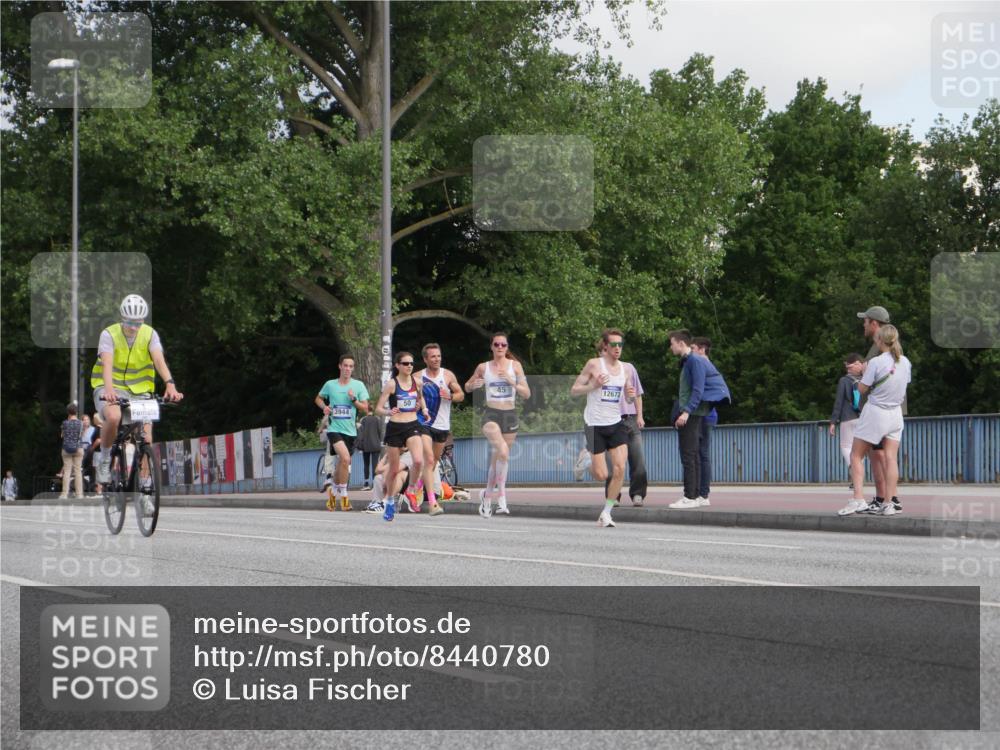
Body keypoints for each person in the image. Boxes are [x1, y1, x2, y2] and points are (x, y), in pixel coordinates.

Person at [91, 294, 183, 485]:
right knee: (114, 416)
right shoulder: (109, 334)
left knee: (146, 438)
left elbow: (158, 359)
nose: (133, 327)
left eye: (138, 323)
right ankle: (105, 459)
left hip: (140, 391)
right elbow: (106, 364)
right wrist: (109, 390)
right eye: (129, 322)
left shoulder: (150, 334)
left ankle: (145, 489)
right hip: (110, 387)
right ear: (122, 318)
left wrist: (170, 383)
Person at [838, 325, 911, 517]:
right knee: (890, 458)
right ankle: (889, 502)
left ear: (879, 341)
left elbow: (862, 389)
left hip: (876, 412)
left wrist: (863, 372)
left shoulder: (876, 362)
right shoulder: (905, 362)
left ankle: (858, 499)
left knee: (855, 455)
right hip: (895, 414)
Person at [570, 329, 632, 528]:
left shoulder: (626, 369)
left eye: (620, 345)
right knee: (601, 475)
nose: (617, 348)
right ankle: (585, 459)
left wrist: (630, 395)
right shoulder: (594, 364)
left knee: (620, 468)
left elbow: (628, 396)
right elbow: (574, 390)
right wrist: (594, 385)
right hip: (594, 424)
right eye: (613, 344)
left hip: (615, 423)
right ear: (605, 346)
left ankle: (606, 513)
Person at [465, 332, 530, 517]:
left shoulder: (515, 366)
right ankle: (501, 497)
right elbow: (467, 386)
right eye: (497, 344)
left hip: (509, 415)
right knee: (502, 451)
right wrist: (474, 385)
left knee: (500, 458)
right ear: (491, 347)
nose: (500, 347)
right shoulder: (483, 367)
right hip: (491, 414)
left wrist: (512, 382)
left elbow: (527, 394)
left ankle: (486, 496)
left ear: (507, 348)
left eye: (503, 345)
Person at [374, 351, 444, 521]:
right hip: (395, 428)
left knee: (419, 461)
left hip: (412, 424)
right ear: (398, 365)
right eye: (405, 363)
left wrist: (425, 410)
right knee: (394, 469)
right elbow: (378, 408)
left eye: (411, 363)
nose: (409, 366)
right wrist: (389, 411)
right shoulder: (391, 384)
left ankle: (411, 489)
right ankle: (390, 500)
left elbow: (421, 399)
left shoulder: (417, 382)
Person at [667, 330, 732, 509]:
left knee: (689, 455)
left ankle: (690, 496)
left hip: (692, 414)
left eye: (672, 343)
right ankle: (695, 496)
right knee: (693, 454)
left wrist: (686, 412)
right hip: (694, 413)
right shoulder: (690, 361)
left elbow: (697, 389)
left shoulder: (694, 361)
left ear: (681, 343)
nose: (670, 347)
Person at [847, 305, 901, 513]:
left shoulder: (880, 348)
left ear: (875, 324)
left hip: (880, 409)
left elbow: (871, 379)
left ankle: (887, 498)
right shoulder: (892, 348)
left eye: (865, 321)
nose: (863, 324)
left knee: (877, 455)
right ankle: (885, 498)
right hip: (891, 410)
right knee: (883, 455)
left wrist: (862, 370)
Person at [314, 354, 370, 511]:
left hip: (350, 431)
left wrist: (353, 400)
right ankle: (344, 497)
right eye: (345, 366)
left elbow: (365, 408)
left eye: (351, 366)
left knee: (343, 463)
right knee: (345, 459)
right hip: (334, 429)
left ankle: (332, 490)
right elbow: (318, 399)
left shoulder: (358, 385)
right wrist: (324, 407)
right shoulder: (330, 385)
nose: (348, 369)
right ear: (340, 366)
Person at [412, 343, 465, 508]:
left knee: (433, 462)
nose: (436, 359)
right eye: (433, 356)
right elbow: (408, 396)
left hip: (442, 425)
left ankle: (416, 488)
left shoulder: (447, 375)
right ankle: (432, 501)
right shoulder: (417, 377)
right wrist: (414, 405)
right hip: (424, 422)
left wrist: (449, 395)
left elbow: (461, 395)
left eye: (438, 356)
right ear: (425, 359)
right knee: (428, 459)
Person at [829, 353, 864, 488]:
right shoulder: (865, 379)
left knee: (846, 446)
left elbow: (839, 402)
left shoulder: (844, 381)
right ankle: (856, 476)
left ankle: (852, 469)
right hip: (863, 418)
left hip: (847, 417)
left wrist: (833, 422)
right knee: (860, 450)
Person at [690, 337, 717, 505]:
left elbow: (697, 391)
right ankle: (702, 493)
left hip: (702, 415)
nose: (690, 351)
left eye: (693, 348)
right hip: (708, 415)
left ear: (702, 349)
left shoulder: (701, 365)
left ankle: (702, 493)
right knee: (702, 454)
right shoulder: (709, 366)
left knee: (700, 454)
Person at [59, 402, 84, 500]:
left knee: (67, 471)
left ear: (68, 412)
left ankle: (64, 494)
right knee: (78, 471)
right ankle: (79, 494)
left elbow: (62, 435)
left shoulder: (64, 423)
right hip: (78, 448)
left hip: (66, 449)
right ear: (76, 412)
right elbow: (80, 435)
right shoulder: (80, 423)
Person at [356, 412, 384, 491]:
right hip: (376, 445)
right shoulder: (377, 419)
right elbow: (380, 431)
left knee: (366, 464)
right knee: (375, 465)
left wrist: (360, 445)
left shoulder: (363, 420)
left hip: (366, 445)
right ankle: (375, 485)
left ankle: (366, 484)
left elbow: (360, 433)